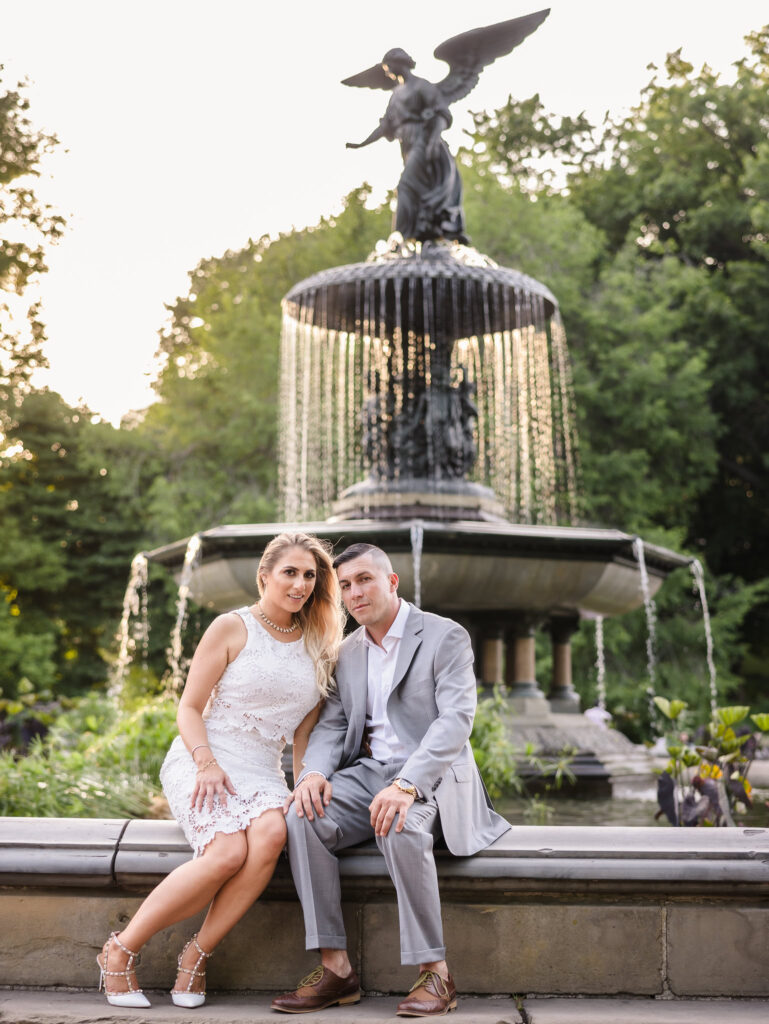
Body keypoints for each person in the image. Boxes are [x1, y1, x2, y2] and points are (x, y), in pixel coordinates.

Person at [96, 532, 344, 1009]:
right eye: (289, 572)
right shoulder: (231, 627)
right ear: (265, 575)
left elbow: (303, 736)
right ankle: (120, 949)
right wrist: (205, 763)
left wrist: (304, 780)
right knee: (227, 852)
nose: (300, 584)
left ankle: (196, 954)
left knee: (272, 834)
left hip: (263, 771)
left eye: (309, 575)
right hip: (206, 755)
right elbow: (188, 708)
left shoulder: (321, 645)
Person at [273, 542, 509, 1017]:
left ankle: (436, 974)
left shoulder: (445, 636)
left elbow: (456, 721)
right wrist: (314, 773)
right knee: (302, 814)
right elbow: (335, 724)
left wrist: (407, 785)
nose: (355, 593)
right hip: (368, 774)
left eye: (364, 580)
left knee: (399, 825)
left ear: (392, 582)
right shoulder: (349, 651)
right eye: (344, 586)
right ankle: (336, 969)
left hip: (432, 776)